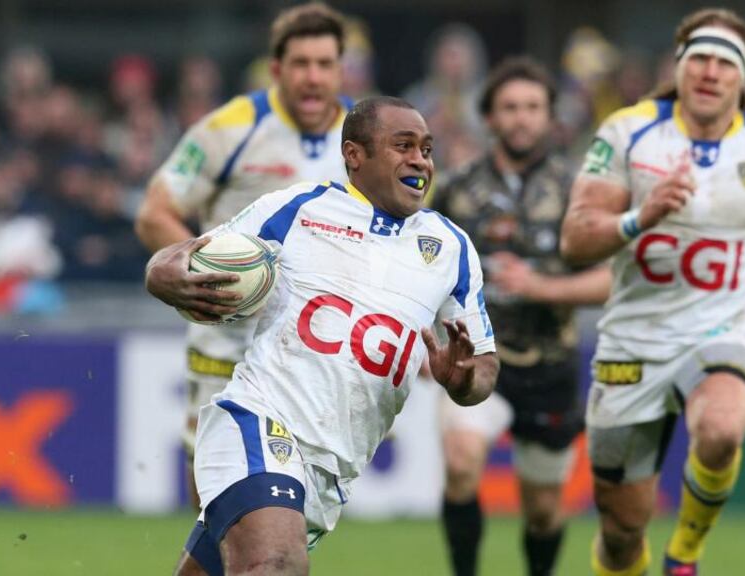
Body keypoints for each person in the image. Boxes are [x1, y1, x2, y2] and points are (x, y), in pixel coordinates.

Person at [559, 8, 745, 576]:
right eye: (698, 58)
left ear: (742, 80)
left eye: (725, 63)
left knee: (722, 428)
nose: (709, 71)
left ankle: (686, 553)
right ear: (677, 69)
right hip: (632, 342)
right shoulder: (628, 132)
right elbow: (576, 241)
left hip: (724, 328)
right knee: (622, 531)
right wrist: (638, 218)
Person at [146, 96, 500, 576]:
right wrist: (163, 273)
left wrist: (463, 379)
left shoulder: (452, 248)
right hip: (258, 420)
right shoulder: (298, 207)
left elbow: (483, 366)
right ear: (355, 155)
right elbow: (182, 257)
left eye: (427, 149)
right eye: (403, 146)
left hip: (331, 469)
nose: (420, 160)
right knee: (277, 565)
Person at [135, 2, 354, 509]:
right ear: (277, 69)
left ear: (341, 69)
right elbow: (155, 211)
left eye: (325, 64)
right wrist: (196, 274)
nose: (313, 77)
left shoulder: (364, 139)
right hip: (225, 332)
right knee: (209, 482)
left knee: (300, 489)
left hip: (314, 339)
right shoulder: (232, 127)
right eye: (301, 64)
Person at [429, 56, 611, 576]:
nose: (521, 118)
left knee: (543, 510)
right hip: (475, 355)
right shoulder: (457, 189)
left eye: (533, 107)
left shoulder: (582, 191)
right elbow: (418, 265)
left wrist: (543, 286)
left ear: (551, 117)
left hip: (549, 364)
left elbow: (613, 279)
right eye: (509, 107)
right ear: (489, 117)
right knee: (462, 464)